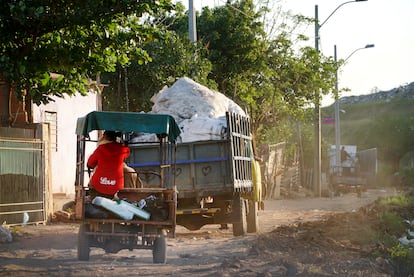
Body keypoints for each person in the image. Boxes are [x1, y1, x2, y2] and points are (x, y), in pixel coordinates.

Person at [87, 130, 130, 198]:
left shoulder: (100, 149)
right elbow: (127, 154)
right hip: (117, 185)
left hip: (99, 184)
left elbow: (90, 163)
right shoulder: (122, 149)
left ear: (104, 137)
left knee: (91, 184)